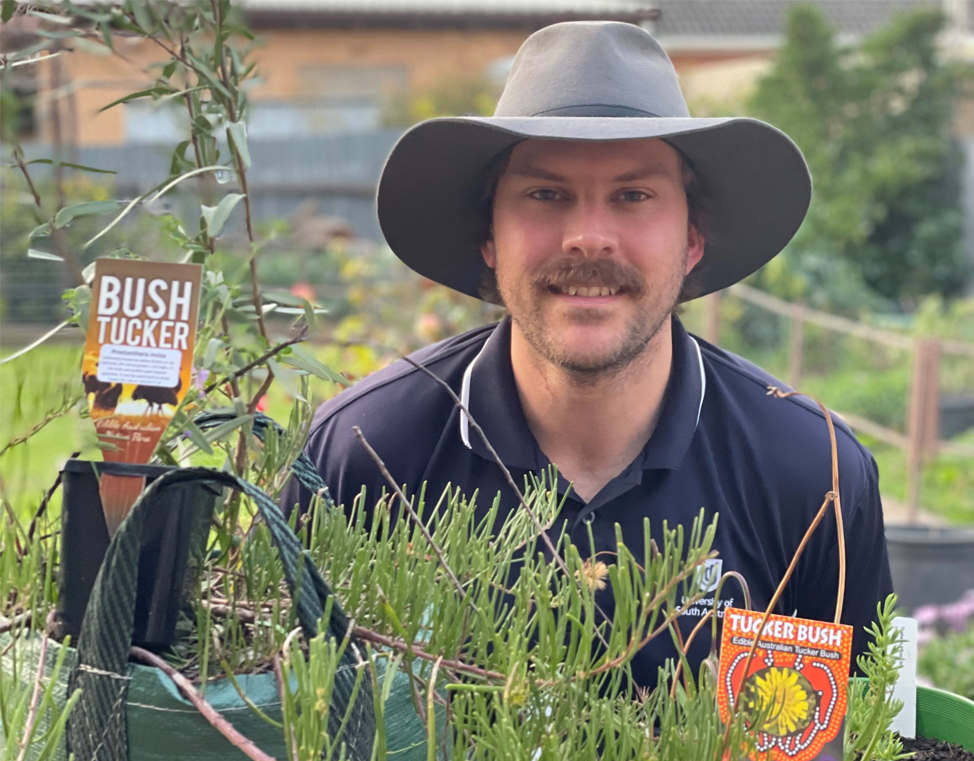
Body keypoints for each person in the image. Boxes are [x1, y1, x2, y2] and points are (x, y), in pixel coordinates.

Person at [281, 20, 893, 685]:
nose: (588, 238)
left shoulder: (810, 476)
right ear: (489, 237)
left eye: (634, 196)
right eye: (546, 195)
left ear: (692, 239)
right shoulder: (364, 455)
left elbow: (847, 740)